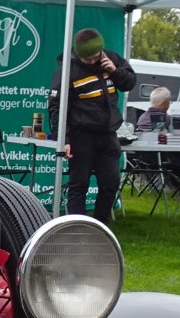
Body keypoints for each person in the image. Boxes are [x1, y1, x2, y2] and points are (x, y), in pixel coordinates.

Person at [48, 28, 136, 224]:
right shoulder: (67, 71)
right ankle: (77, 227)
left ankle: (100, 225)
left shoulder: (111, 59)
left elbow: (129, 83)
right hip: (81, 135)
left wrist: (114, 70)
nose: (91, 61)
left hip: (108, 134)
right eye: (86, 58)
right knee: (79, 184)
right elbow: (56, 107)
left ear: (101, 51)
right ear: (78, 54)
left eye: (95, 57)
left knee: (111, 183)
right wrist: (64, 138)